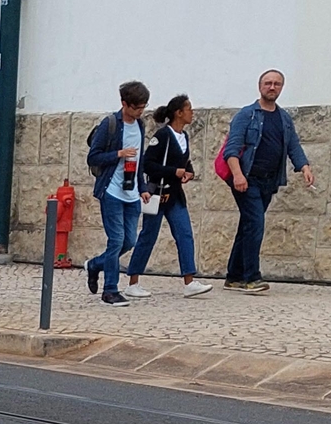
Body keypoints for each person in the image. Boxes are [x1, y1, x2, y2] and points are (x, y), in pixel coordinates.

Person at [220, 68, 313, 293]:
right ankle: (251, 277)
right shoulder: (247, 115)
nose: (272, 87)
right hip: (246, 180)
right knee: (255, 225)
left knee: (248, 226)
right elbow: (231, 149)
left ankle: (234, 276)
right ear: (260, 86)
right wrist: (238, 175)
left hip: (269, 182)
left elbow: (293, 145)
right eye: (268, 83)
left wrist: (304, 166)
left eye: (277, 84)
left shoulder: (283, 118)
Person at [125, 94, 212, 298]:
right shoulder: (163, 136)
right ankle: (133, 281)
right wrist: (174, 172)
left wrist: (188, 171)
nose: (192, 113)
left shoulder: (185, 136)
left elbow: (183, 160)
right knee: (148, 236)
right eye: (188, 109)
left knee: (185, 234)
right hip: (158, 194)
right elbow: (148, 164)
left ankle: (189, 281)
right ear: (178, 113)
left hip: (175, 195)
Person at [82, 79, 149, 307]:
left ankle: (94, 265)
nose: (140, 112)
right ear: (124, 104)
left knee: (129, 241)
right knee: (116, 240)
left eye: (143, 107)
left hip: (131, 192)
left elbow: (138, 160)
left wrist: (143, 188)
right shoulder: (109, 124)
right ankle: (110, 290)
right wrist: (118, 154)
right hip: (111, 190)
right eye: (136, 107)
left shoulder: (140, 125)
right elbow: (93, 157)